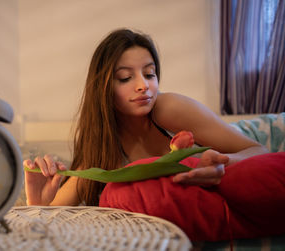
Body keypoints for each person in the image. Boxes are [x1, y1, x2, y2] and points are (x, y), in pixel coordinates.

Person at [23, 28, 269, 207]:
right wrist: (38, 203)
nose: (144, 86)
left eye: (150, 74)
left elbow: (259, 150)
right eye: (125, 78)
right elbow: (56, 208)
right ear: (104, 89)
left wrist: (221, 163)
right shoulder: (103, 141)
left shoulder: (168, 109)